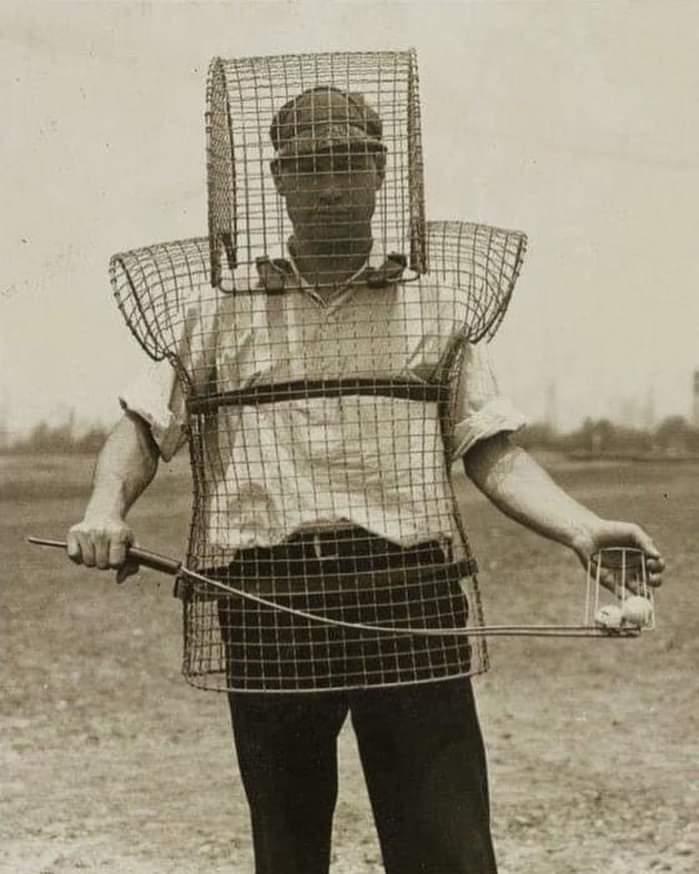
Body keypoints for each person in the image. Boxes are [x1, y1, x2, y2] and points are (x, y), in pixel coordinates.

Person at [67, 86, 665, 874]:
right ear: (276, 178)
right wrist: (104, 508)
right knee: (288, 852)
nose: (329, 188)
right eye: (310, 167)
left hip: (408, 590)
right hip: (267, 596)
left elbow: (492, 449)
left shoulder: (436, 303)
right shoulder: (219, 308)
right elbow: (143, 427)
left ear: (381, 171)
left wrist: (582, 528)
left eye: (348, 165)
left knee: (446, 852)